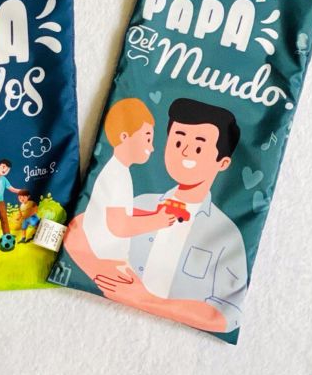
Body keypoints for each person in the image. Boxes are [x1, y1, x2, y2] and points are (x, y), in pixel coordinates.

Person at [68, 97, 248, 335]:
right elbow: (82, 228)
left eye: (198, 147)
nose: (185, 152)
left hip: (174, 335)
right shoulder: (140, 202)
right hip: (95, 316)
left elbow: (229, 315)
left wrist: (147, 300)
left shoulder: (227, 234)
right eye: (177, 142)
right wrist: (105, 277)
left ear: (222, 163)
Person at [81, 98, 175, 266]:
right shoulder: (116, 175)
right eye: (148, 139)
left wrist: (153, 215)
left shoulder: (119, 170)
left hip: (106, 254)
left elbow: (120, 212)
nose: (152, 148)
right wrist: (157, 221)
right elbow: (117, 225)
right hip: (105, 258)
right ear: (124, 137)